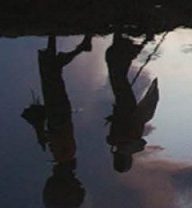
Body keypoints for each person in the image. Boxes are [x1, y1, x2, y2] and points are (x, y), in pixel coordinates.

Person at [21, 35, 92, 208]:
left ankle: (57, 40)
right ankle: (71, 45)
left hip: (59, 112)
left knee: (51, 75)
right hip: (58, 111)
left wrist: (42, 132)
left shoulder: (65, 154)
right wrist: (42, 130)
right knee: (51, 75)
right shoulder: (64, 154)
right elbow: (59, 131)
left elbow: (59, 133)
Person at [105, 32, 160, 173]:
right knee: (119, 79)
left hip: (127, 108)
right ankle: (127, 45)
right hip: (126, 108)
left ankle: (125, 44)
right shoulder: (118, 142)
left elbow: (138, 139)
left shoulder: (121, 142)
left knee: (119, 79)